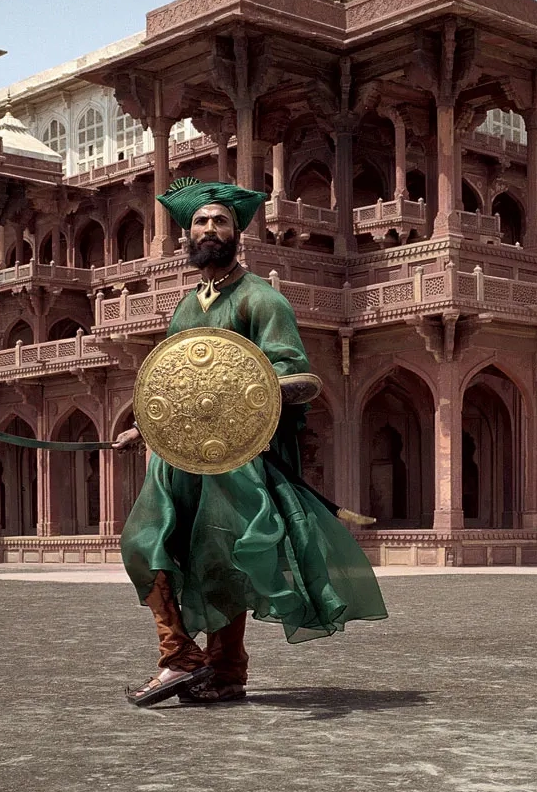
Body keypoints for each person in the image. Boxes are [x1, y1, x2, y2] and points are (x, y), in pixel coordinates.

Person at [116, 178, 385, 707]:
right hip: (181, 457)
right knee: (145, 544)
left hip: (240, 461)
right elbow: (178, 384)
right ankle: (186, 658)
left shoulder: (263, 300)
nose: (210, 229)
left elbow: (297, 377)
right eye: (200, 222)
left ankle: (218, 669)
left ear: (237, 232)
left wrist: (254, 391)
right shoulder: (186, 309)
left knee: (221, 559)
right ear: (187, 235)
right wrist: (146, 426)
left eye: (220, 221)